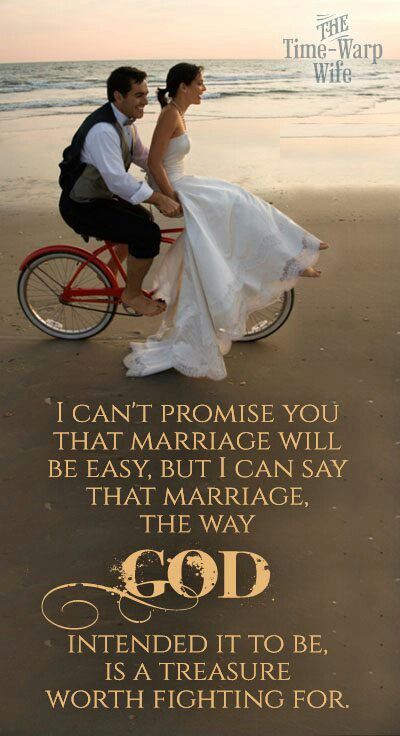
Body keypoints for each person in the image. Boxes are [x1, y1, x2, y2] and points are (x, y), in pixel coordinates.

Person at [123, 63, 328, 380]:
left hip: (180, 183)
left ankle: (294, 251)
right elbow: (154, 162)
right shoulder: (170, 114)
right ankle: (292, 256)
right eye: (199, 83)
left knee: (238, 200)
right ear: (183, 86)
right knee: (237, 202)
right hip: (175, 187)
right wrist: (169, 197)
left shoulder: (177, 113)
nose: (203, 89)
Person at [58, 66, 181, 317]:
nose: (145, 101)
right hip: (81, 206)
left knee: (143, 217)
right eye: (138, 95)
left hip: (99, 198)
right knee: (147, 234)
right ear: (118, 96)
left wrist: (173, 183)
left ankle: (110, 271)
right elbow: (117, 181)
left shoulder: (126, 123)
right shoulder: (103, 130)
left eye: (146, 94)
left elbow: (143, 157)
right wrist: (159, 198)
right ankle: (132, 294)